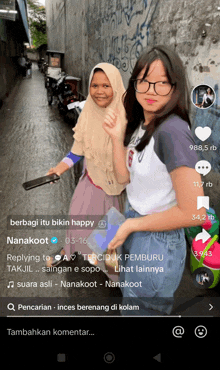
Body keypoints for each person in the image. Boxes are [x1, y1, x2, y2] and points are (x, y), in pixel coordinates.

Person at [102, 46, 207, 315]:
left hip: (156, 241)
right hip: (138, 227)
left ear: (175, 87)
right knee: (133, 306)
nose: (151, 90)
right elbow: (124, 178)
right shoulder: (144, 124)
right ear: (134, 82)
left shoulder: (172, 131)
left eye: (162, 83)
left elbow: (196, 212)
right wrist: (116, 138)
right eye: (144, 81)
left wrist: (132, 225)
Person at [46, 62, 126, 277]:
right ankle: (68, 252)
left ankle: (113, 275)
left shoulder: (127, 118)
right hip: (89, 182)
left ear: (116, 86)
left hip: (115, 190)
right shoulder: (88, 111)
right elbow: (76, 151)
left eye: (106, 86)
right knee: (76, 220)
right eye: (95, 85)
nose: (99, 91)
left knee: (109, 236)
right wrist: (59, 169)